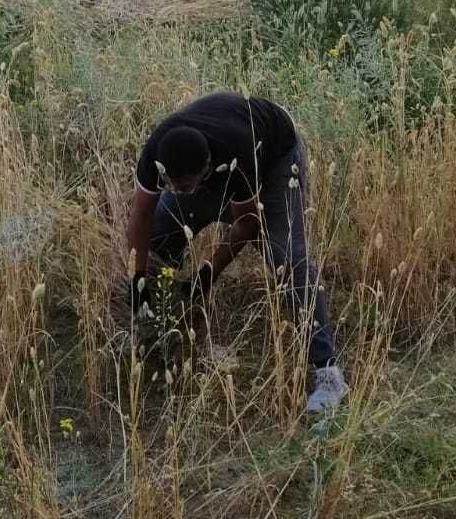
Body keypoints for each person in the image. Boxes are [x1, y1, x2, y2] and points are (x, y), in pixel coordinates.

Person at [125, 91, 347, 414]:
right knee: (160, 231)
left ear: (205, 169)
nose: (176, 193)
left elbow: (247, 224)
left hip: (274, 163)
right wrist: (138, 278)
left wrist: (207, 275)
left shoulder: (239, 147)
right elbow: (141, 215)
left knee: (287, 256)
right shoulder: (158, 153)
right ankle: (159, 334)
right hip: (209, 167)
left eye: (183, 188)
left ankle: (329, 375)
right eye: (169, 185)